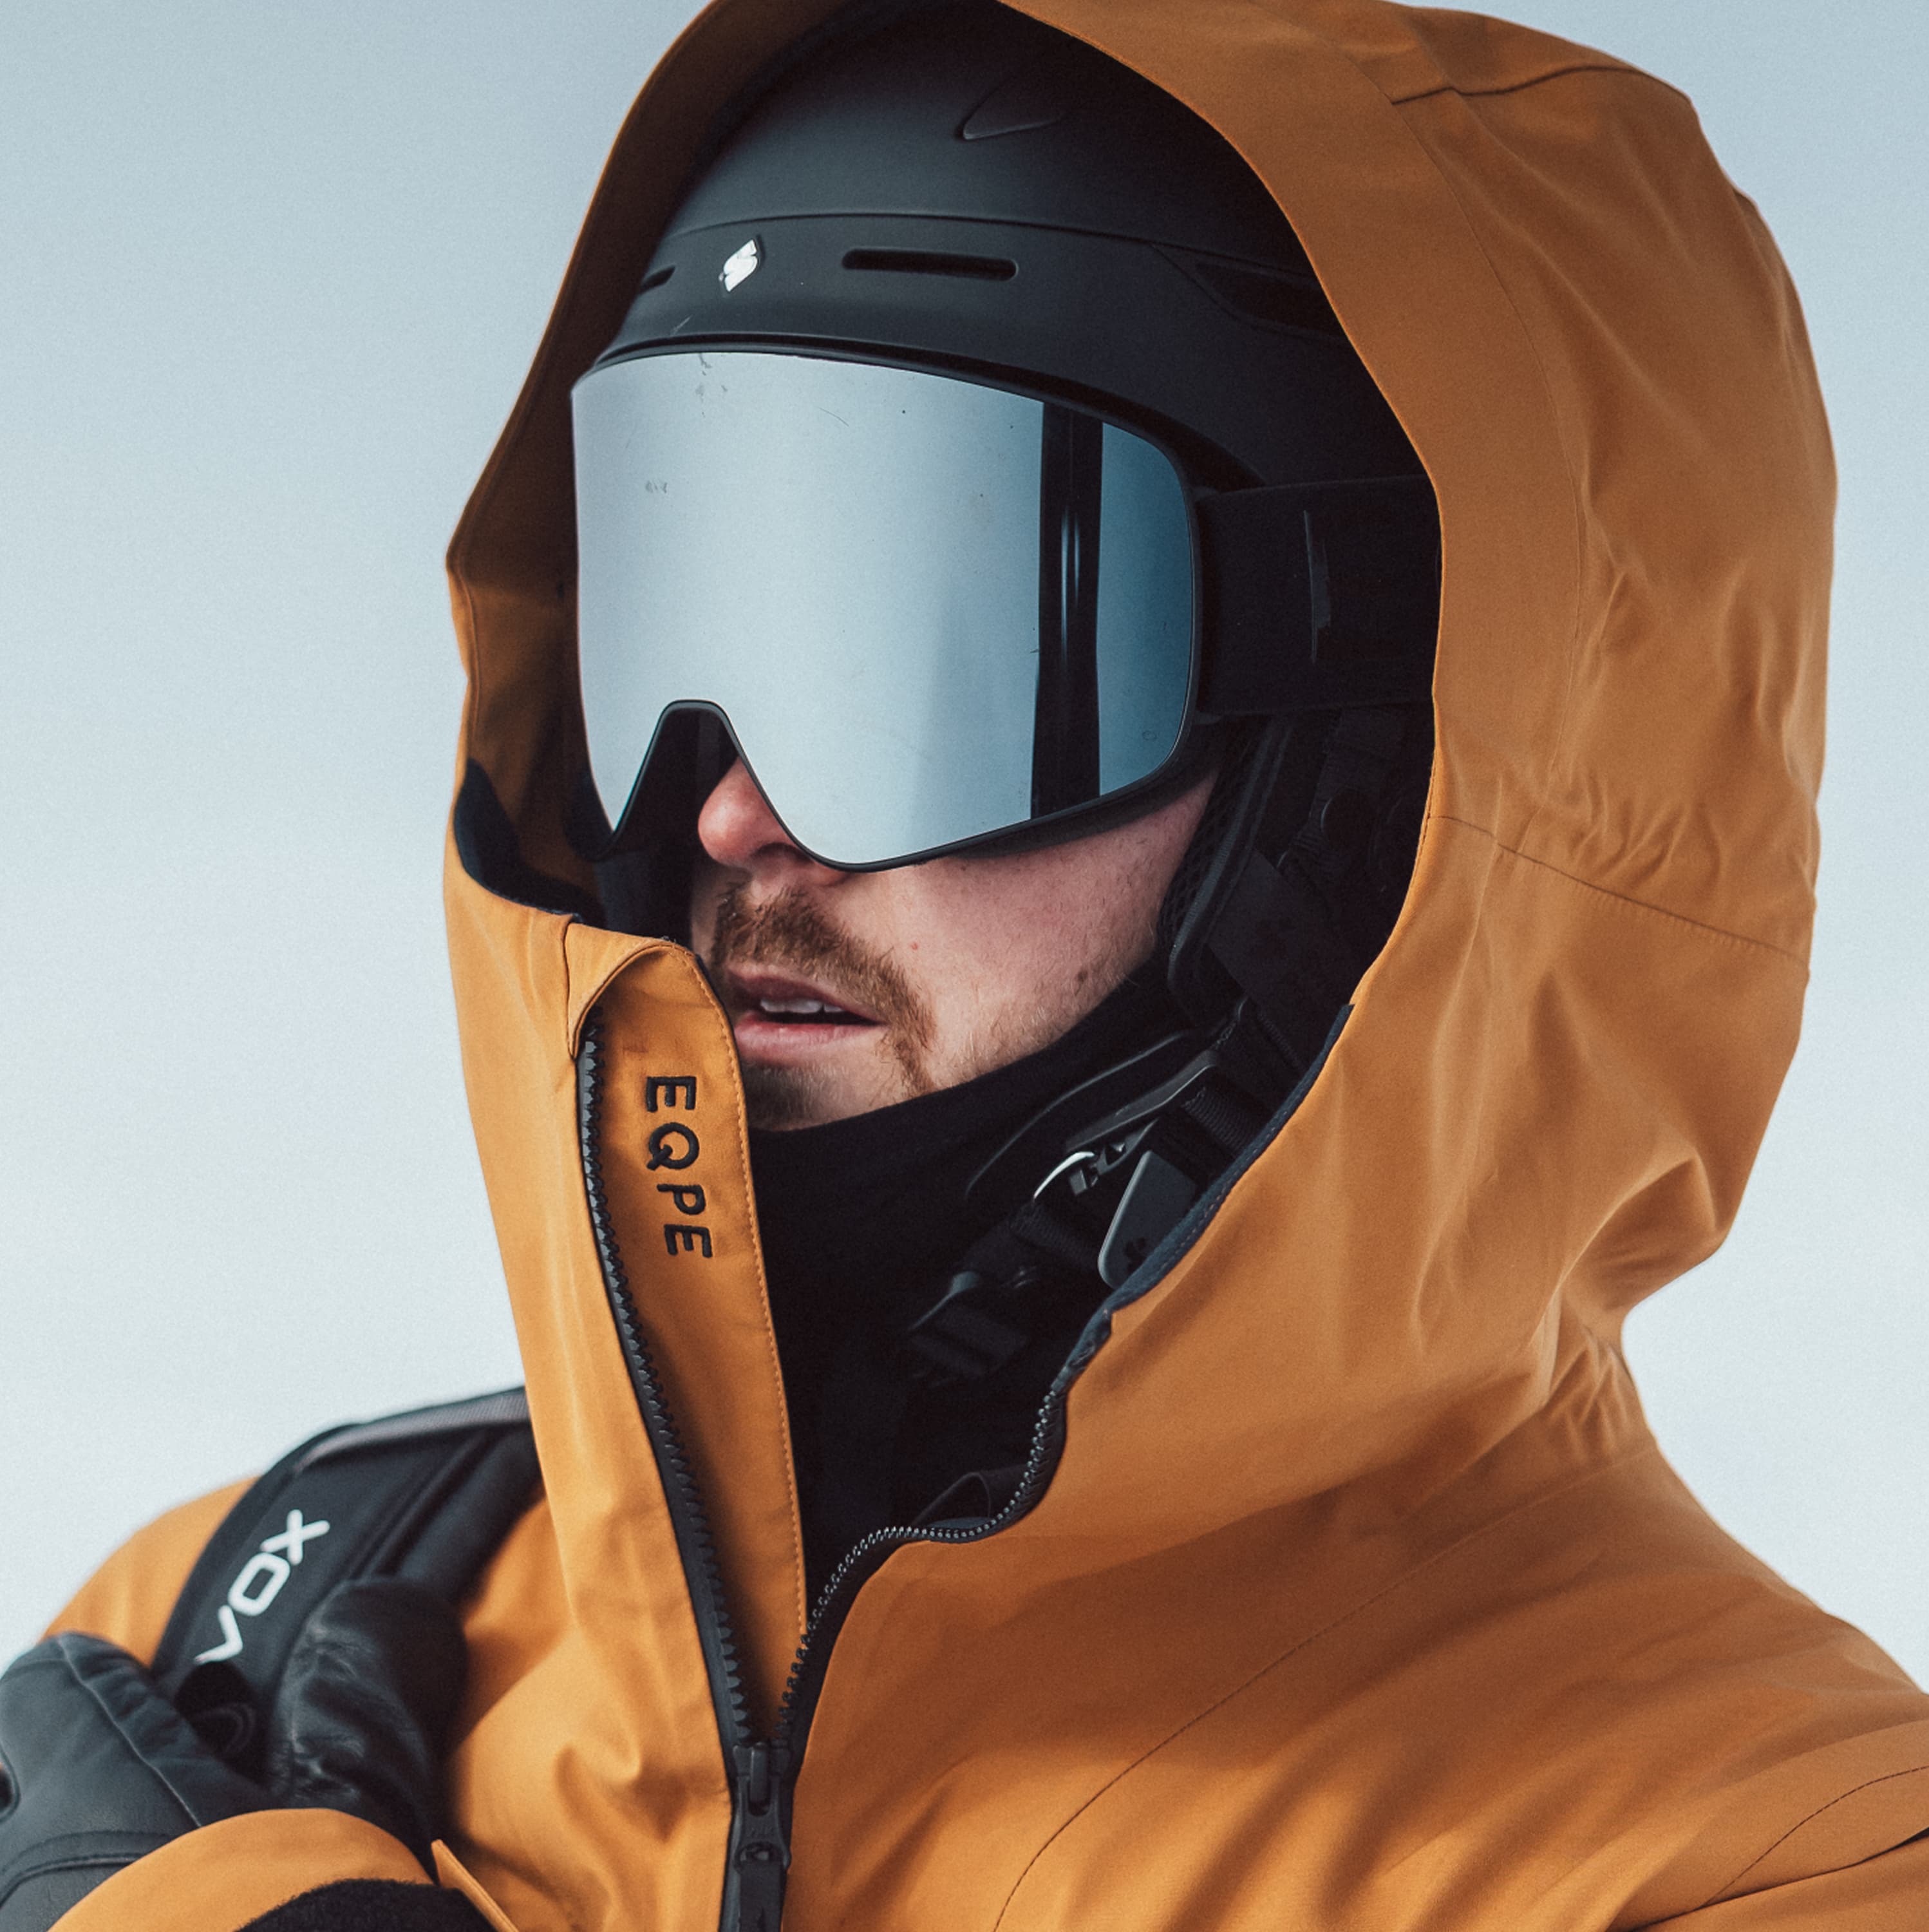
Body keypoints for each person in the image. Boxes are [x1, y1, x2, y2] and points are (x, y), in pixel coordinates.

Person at [3, 1, 1925, 1927]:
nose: (733, 816)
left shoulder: (1766, 1849)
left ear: (1373, 784)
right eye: (677, 607)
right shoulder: (251, 1623)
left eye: (944, 659)